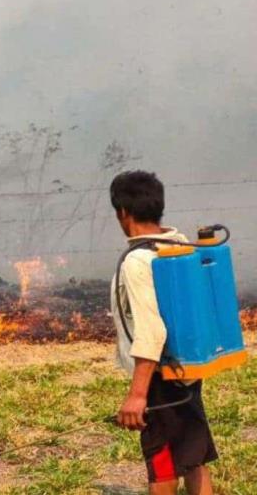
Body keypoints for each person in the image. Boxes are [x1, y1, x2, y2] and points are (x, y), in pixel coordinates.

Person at [110, 170, 216, 494]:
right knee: (193, 458)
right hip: (187, 371)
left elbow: (152, 330)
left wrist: (138, 395)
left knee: (163, 467)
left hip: (158, 379)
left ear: (123, 213)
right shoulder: (180, 245)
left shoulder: (137, 261)